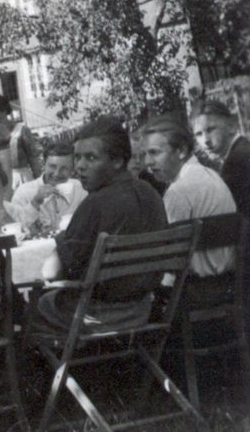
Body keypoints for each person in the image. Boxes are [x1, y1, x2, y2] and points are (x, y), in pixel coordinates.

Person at [33, 116, 168, 333]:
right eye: (77, 158)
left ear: (117, 161)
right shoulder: (150, 193)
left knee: (32, 305)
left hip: (94, 315)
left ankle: (62, 366)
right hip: (143, 308)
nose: (80, 167)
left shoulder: (95, 203)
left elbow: (51, 272)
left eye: (91, 158)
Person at [142, 115, 236, 309]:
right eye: (145, 154)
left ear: (181, 151)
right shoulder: (210, 175)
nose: (148, 162)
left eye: (155, 153)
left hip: (196, 291)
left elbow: (168, 257)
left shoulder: (179, 190)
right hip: (230, 283)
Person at [5, 141, 88, 235]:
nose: (57, 173)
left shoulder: (81, 190)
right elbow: (16, 229)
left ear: (73, 169)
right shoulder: (24, 192)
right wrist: (35, 203)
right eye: (52, 166)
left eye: (64, 168)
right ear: (44, 164)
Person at [193, 100, 250, 218]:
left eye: (210, 129)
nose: (205, 140)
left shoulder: (235, 162)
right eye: (199, 134)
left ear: (231, 126)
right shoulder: (243, 148)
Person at [0, 93, 43, 188]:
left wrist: (40, 183)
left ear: (3, 110)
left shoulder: (21, 130)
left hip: (21, 181)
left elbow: (34, 159)